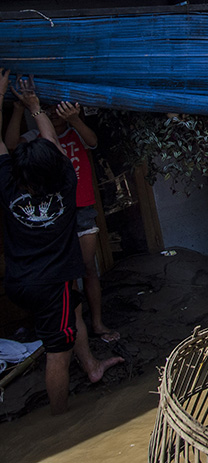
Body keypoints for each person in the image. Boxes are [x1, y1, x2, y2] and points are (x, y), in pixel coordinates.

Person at [0, 71, 122, 414]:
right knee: (58, 350)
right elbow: (52, 144)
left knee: (75, 311)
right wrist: (36, 107)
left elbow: (4, 151)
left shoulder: (9, 189)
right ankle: (60, 420)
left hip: (19, 282)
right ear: (56, 167)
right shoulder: (66, 187)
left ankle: (92, 366)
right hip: (52, 285)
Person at [5, 98, 117, 342]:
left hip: (81, 208)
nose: (53, 112)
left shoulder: (75, 130)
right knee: (67, 278)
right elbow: (12, 145)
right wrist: (18, 110)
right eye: (46, 108)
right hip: (55, 215)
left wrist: (74, 119)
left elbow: (93, 142)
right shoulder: (36, 137)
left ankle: (96, 324)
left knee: (87, 268)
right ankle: (75, 335)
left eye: (57, 107)